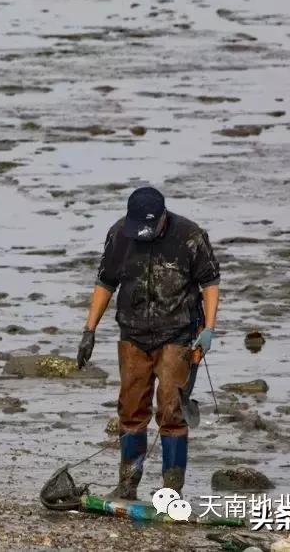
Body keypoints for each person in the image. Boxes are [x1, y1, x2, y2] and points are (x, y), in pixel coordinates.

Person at [75, 186, 220, 498]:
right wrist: (89, 330)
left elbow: (209, 282)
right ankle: (127, 485)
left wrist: (208, 329)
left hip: (177, 336)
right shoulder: (119, 235)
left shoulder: (190, 236)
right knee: (130, 409)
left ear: (162, 218)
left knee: (171, 411)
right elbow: (106, 283)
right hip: (132, 336)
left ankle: (171, 491)